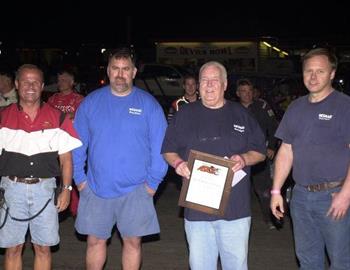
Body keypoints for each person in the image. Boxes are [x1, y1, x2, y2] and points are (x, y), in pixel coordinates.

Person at [161, 61, 266, 270]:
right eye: (204, 80)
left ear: (225, 84)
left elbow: (260, 152)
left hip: (235, 211)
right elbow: (167, 150)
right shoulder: (184, 114)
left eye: (214, 80)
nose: (209, 85)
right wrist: (178, 163)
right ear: (198, 85)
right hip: (196, 211)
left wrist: (244, 159)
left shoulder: (242, 115)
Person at [72, 47, 168, 270]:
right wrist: (80, 180)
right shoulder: (90, 103)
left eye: (125, 69)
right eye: (115, 68)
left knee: (133, 242)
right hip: (95, 188)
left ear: (134, 72)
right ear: (108, 70)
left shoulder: (149, 105)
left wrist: (152, 184)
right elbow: (76, 145)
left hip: (136, 189)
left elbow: (161, 149)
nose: (120, 74)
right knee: (95, 241)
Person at [270, 48, 350, 269]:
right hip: (301, 197)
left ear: (332, 74)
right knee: (307, 260)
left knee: (341, 262)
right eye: (308, 71)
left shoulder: (345, 106)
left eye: (320, 71)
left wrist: (345, 194)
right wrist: (276, 191)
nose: (313, 77)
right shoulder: (295, 107)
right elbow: (286, 150)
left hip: (334, 196)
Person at [0, 64, 82, 270]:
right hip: (10, 190)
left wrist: (66, 189)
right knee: (13, 248)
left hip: (45, 191)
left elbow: (66, 159)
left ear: (43, 86)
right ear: (17, 85)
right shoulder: (3, 117)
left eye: (35, 81)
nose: (30, 85)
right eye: (25, 81)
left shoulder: (58, 117)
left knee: (43, 248)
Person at [236, 79, 279, 229]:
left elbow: (274, 127)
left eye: (249, 91)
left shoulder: (262, 106)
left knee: (264, 190)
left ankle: (269, 219)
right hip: (239, 158)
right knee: (238, 190)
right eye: (243, 91)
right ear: (237, 93)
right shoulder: (233, 109)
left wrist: (272, 147)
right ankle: (239, 219)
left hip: (259, 156)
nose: (247, 94)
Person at [47, 68, 84, 217]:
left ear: (72, 82)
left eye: (64, 80)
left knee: (73, 177)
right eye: (59, 80)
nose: (60, 83)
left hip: (74, 145)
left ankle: (76, 210)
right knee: (56, 178)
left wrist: (69, 116)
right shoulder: (52, 99)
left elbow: (82, 117)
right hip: (54, 145)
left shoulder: (79, 99)